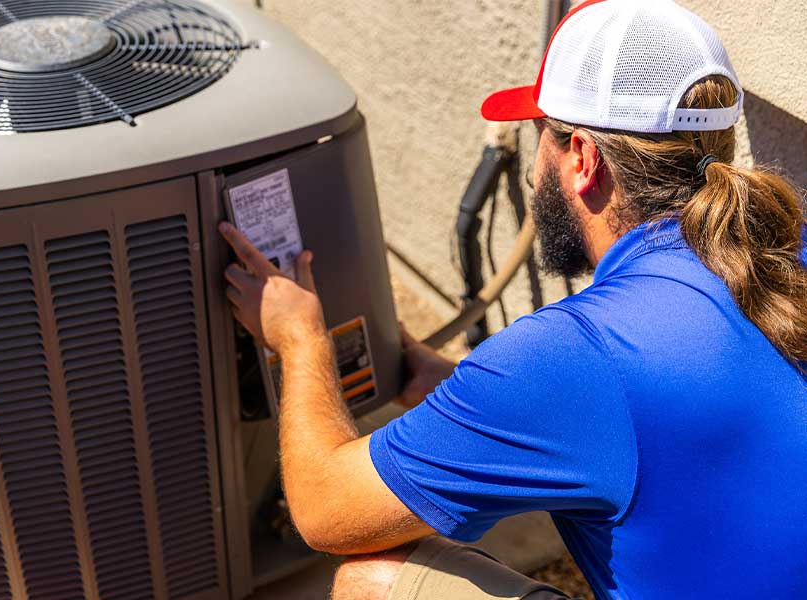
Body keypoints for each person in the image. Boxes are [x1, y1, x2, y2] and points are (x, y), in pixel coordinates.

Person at [219, 0, 807, 597]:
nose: (533, 174)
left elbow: (325, 512)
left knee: (371, 579)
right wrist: (457, 391)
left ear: (582, 159)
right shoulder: (788, 251)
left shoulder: (578, 352)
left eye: (539, 140)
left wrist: (300, 339)